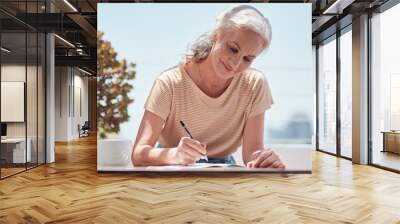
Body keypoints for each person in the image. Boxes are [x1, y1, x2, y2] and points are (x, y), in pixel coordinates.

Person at [131, 4, 285, 168]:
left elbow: (252, 154)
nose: (236, 63)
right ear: (215, 35)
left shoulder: (255, 85)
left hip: (224, 172)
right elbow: (138, 154)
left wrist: (264, 160)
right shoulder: (169, 83)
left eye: (248, 59)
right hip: (173, 166)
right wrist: (175, 154)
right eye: (233, 49)